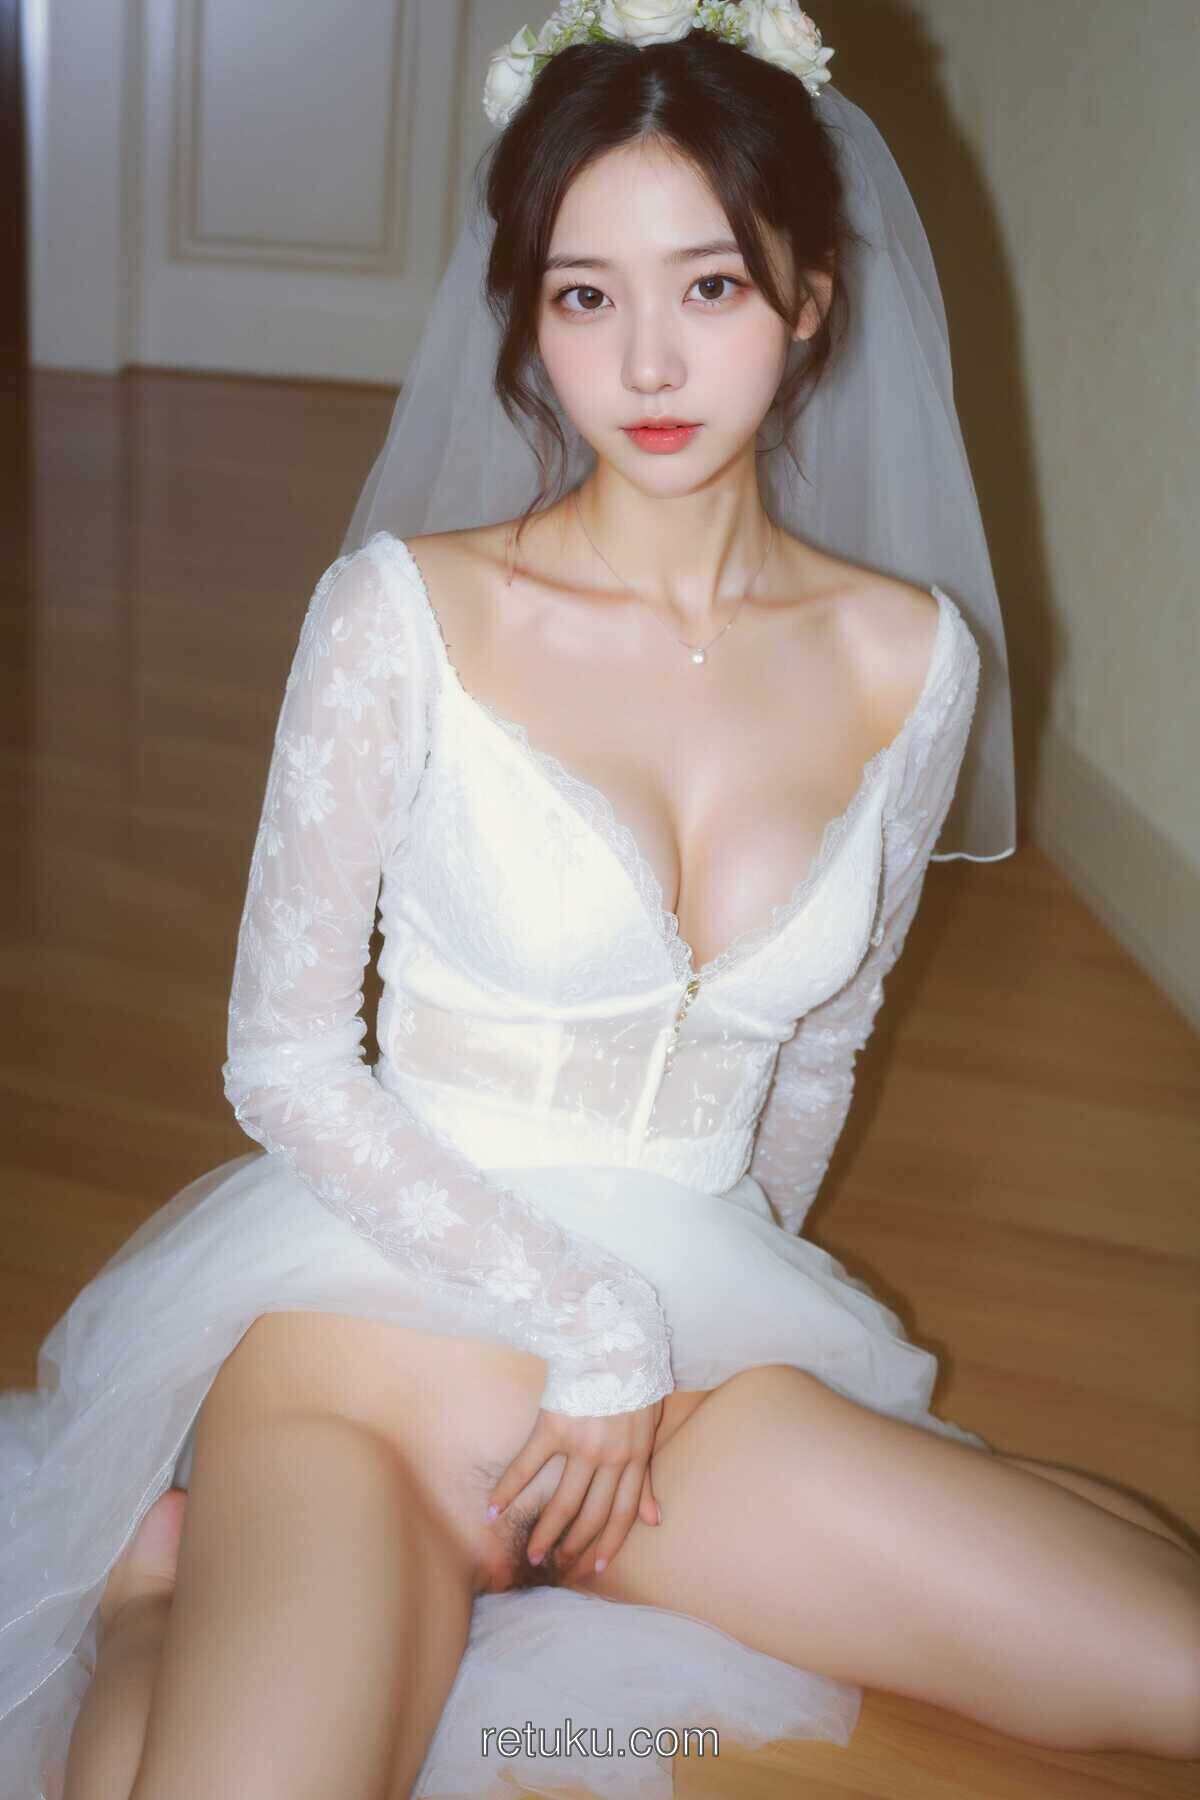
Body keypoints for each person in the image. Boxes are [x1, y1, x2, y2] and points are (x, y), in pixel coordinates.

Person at [4, 6, 1198, 1797]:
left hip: (685, 1394)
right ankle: (155, 1613)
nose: (646, 359)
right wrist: (592, 1330)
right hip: (374, 1364)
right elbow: (284, 1064)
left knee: (1168, 1662)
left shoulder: (914, 659)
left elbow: (818, 1050)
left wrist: (706, 1337)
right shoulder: (403, 616)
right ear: (525, 313)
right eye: (584, 294)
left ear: (810, 298)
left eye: (710, 286)